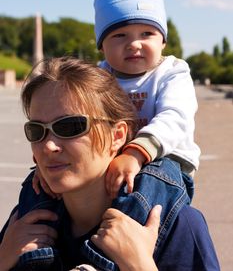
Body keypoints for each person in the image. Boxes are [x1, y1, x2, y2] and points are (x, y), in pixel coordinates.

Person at [0, 57, 220, 271]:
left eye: (70, 126)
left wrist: (139, 265)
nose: (48, 146)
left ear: (117, 136)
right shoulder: (23, 222)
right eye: (37, 131)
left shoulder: (178, 223)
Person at [94, 0, 201, 198]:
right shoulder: (98, 76)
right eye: (120, 35)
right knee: (44, 178)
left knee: (144, 185)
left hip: (168, 161)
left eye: (147, 34)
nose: (134, 43)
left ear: (163, 41)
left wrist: (136, 152)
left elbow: (175, 116)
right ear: (101, 46)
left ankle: (126, 229)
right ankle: (33, 227)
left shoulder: (173, 73)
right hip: (112, 159)